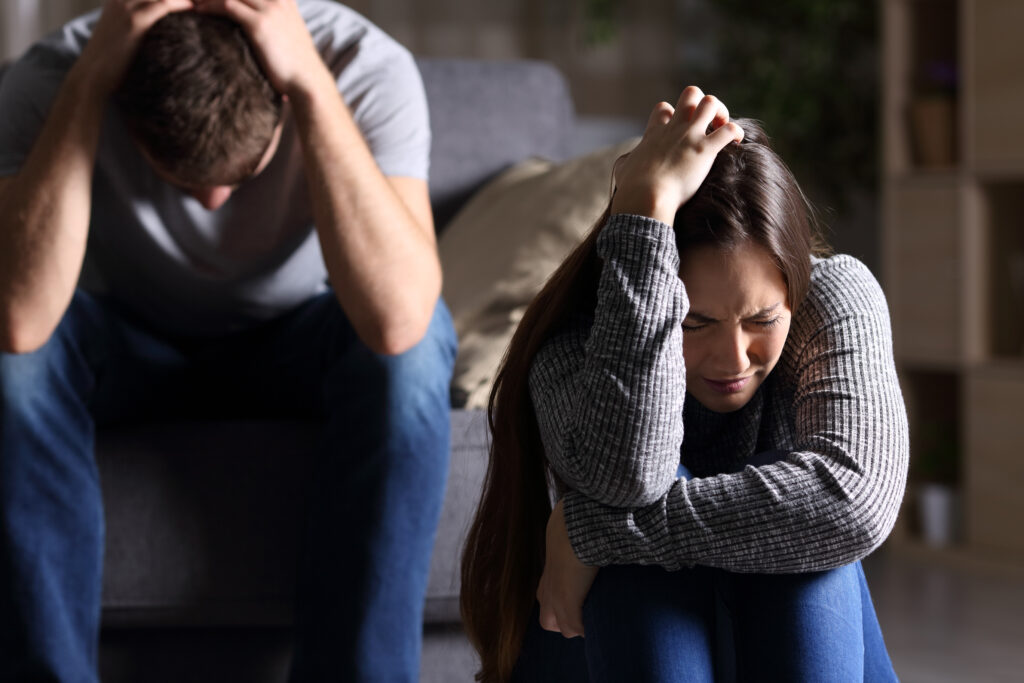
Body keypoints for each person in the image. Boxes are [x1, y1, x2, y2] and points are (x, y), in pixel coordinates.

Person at [0, 1, 455, 681]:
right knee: (10, 364)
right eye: (180, 180)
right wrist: (90, 83)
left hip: (297, 335)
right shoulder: (50, 76)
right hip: (123, 336)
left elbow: (399, 320)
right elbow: (17, 320)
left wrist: (311, 84)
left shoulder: (364, 67)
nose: (213, 203)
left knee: (414, 353)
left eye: (240, 175)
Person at [460, 87, 909, 682]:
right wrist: (646, 213)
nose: (733, 358)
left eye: (763, 321)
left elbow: (852, 505)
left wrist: (596, 532)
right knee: (639, 512)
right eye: (693, 323)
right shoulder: (579, 339)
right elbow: (629, 477)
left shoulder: (831, 299)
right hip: (618, 643)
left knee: (800, 525)